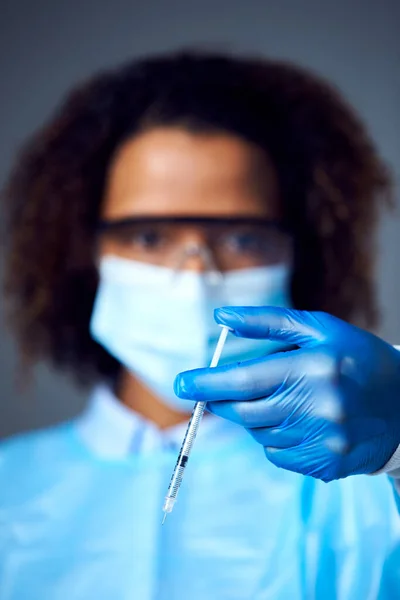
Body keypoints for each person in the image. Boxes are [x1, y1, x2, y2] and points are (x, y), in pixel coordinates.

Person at [0, 49, 399, 599]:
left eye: (240, 238)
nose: (195, 275)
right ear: (81, 250)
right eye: (149, 237)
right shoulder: (9, 491)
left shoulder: (371, 489)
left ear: (302, 253)